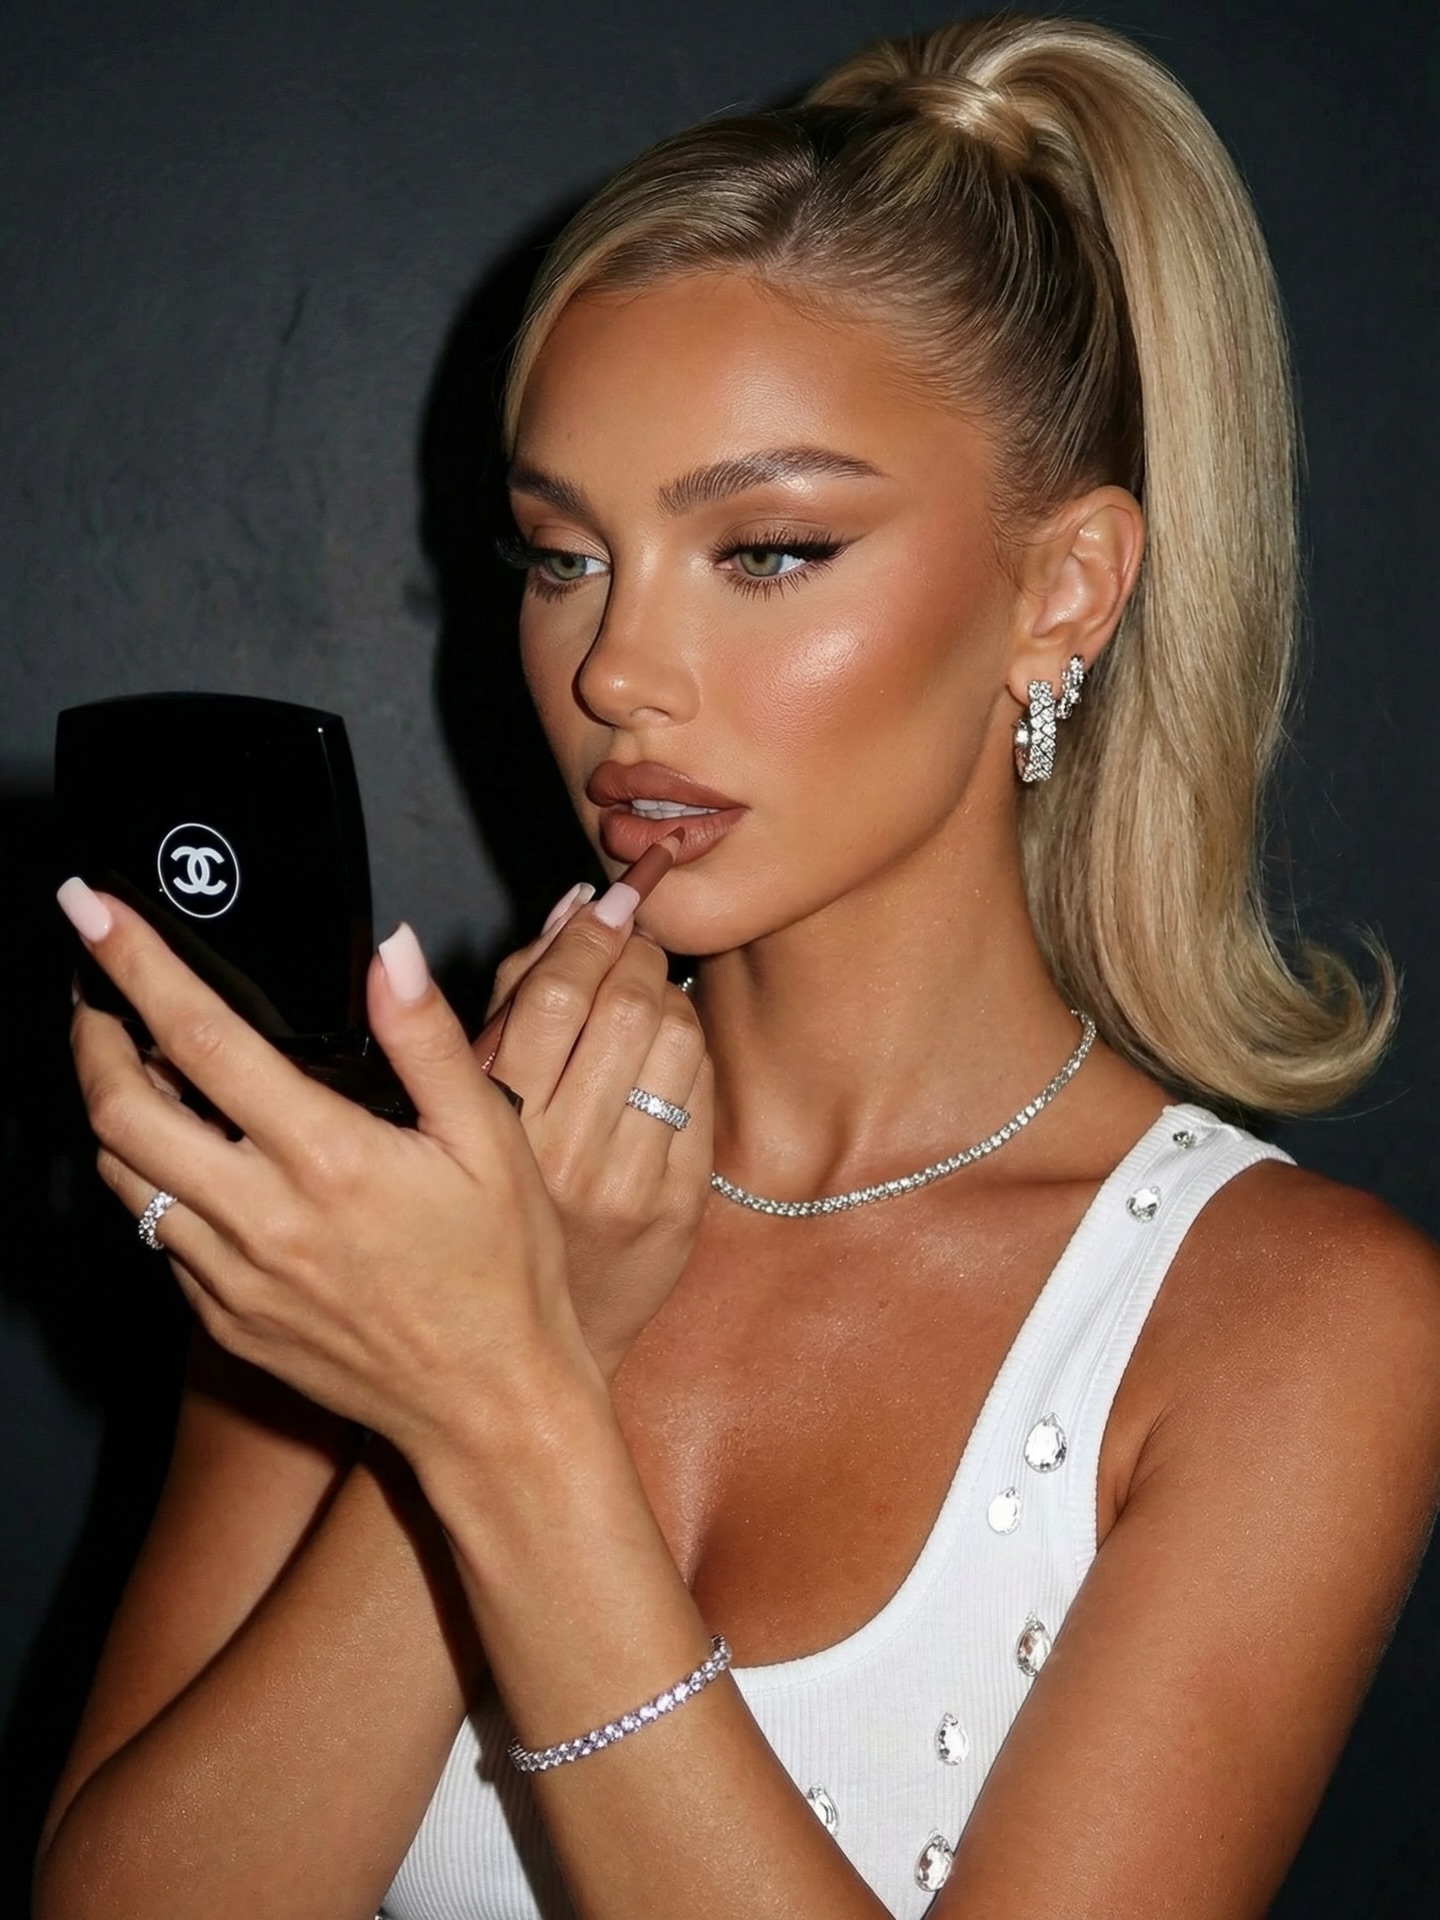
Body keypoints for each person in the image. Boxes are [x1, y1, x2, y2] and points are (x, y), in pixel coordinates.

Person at [33, 13, 1440, 1919]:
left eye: (766, 551)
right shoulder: (389, 1188)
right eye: (560, 557)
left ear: (1063, 591)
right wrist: (478, 1307)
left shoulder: (1293, 1324)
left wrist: (500, 1394)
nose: (615, 671)